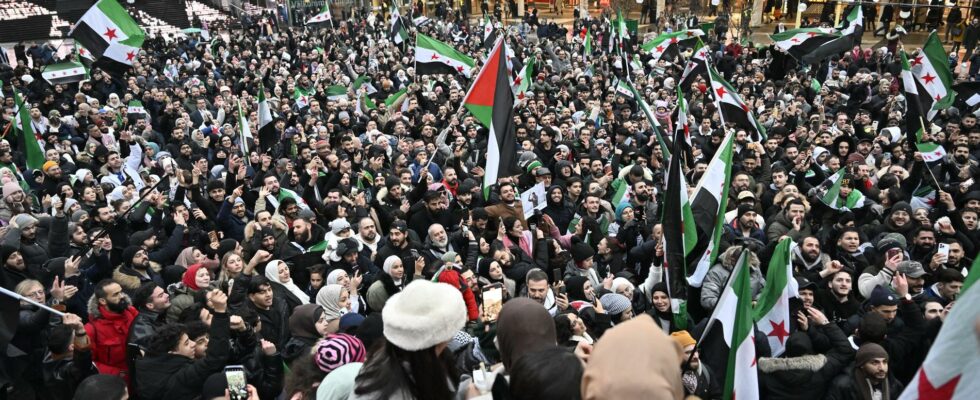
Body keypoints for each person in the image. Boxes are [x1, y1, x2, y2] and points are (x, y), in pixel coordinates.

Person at [351, 280, 474, 399]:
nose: (452, 335)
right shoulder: (392, 390)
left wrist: (467, 390)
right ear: (440, 336)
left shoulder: (388, 359)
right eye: (452, 329)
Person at [134, 289, 233, 400]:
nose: (192, 344)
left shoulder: (153, 366)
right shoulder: (179, 377)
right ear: (172, 352)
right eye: (186, 343)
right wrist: (220, 313)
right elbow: (215, 359)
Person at [84, 279, 138, 379]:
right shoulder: (91, 329)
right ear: (102, 301)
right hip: (118, 381)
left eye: (121, 292)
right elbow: (89, 363)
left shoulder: (131, 311)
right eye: (115, 294)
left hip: (139, 373)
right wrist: (118, 374)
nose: (122, 296)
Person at [827, 343, 904, 399]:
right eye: (875, 362)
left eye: (884, 362)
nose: (882, 368)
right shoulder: (843, 385)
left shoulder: (894, 385)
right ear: (862, 365)